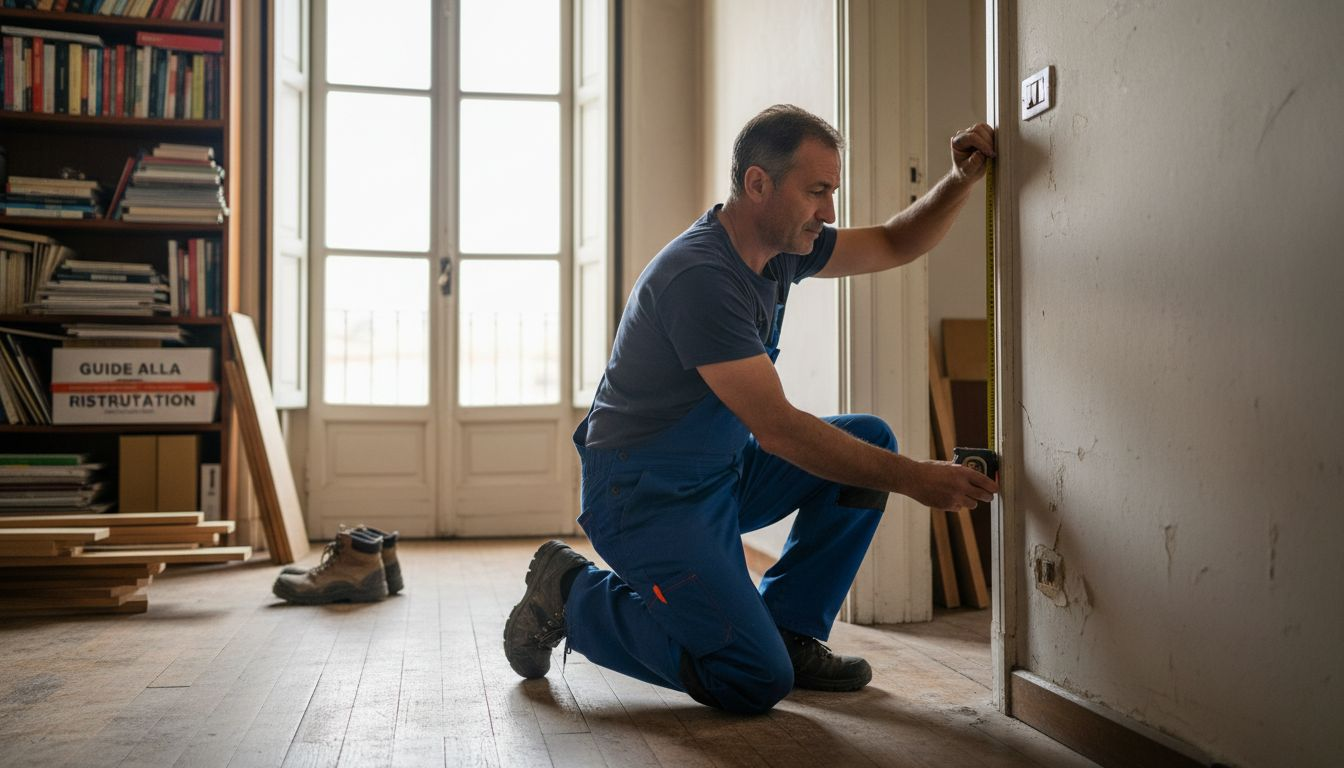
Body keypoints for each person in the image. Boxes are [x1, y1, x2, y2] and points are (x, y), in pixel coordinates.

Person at [504, 104, 999, 714]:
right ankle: (571, 593)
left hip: (721, 471)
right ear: (757, 183)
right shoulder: (700, 277)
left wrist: (960, 181)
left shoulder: (783, 249)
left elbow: (896, 242)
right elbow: (781, 430)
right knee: (750, 678)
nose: (831, 211)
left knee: (870, 438)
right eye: (817, 191)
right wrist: (920, 482)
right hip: (642, 493)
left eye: (833, 191)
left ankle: (789, 631)